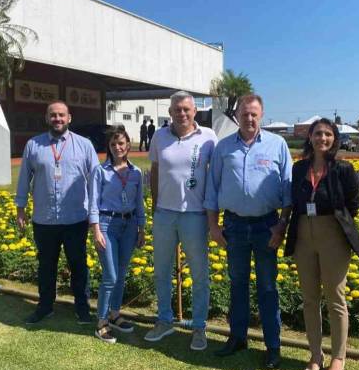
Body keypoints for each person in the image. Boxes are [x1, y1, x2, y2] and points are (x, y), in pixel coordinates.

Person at [204, 94, 292, 369]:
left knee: (267, 287)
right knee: (237, 284)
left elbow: (288, 191)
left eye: (254, 114)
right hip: (234, 226)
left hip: (268, 226)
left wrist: (282, 226)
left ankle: (273, 346)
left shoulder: (277, 145)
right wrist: (213, 227)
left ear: (261, 115)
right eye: (244, 114)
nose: (249, 118)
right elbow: (212, 188)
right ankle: (237, 337)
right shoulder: (223, 147)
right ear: (237, 116)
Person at [284, 118, 359, 370]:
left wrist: (336, 226)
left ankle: (338, 357)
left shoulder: (344, 169)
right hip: (304, 235)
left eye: (328, 134)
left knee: (335, 298)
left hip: (333, 236)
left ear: (334, 139)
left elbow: (353, 205)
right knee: (309, 298)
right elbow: (295, 201)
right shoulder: (299, 168)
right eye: (318, 133)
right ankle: (315, 355)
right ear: (310, 137)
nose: (322, 138)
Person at [144, 91, 218, 351]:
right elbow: (154, 171)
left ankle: (199, 327)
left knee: (200, 274)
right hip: (164, 214)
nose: (182, 113)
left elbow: (216, 176)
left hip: (195, 216)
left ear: (194, 111)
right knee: (161, 271)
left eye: (186, 109)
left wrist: (213, 214)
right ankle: (164, 321)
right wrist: (155, 206)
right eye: (177, 109)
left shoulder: (209, 137)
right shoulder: (159, 136)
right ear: (170, 113)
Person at [15, 100, 99, 324]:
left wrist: (95, 215)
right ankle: (44, 306)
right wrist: (20, 209)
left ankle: (82, 308)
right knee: (46, 265)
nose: (58, 119)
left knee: (78, 265)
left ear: (69, 118)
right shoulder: (34, 145)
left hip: (75, 218)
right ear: (47, 118)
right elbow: (24, 178)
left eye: (62, 115)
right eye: (53, 115)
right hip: (44, 219)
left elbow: (95, 182)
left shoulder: (84, 145)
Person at [88, 125, 146, 343]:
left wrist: (142, 228)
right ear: (109, 147)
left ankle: (115, 314)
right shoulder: (100, 171)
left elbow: (138, 202)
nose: (117, 147)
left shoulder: (136, 172)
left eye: (121, 143)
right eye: (113, 144)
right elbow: (93, 201)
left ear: (128, 145)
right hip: (106, 224)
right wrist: (95, 230)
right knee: (110, 276)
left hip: (129, 225)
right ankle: (101, 322)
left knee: (121, 274)